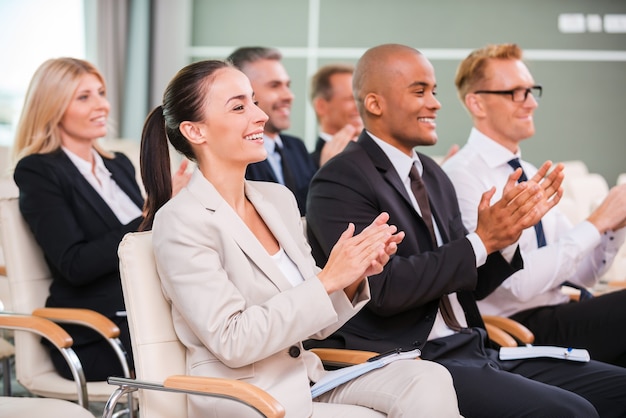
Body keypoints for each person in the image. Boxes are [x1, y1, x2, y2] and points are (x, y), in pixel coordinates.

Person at [305, 43, 626, 417]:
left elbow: (470, 284)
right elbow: (384, 290)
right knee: (571, 412)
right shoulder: (340, 180)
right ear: (375, 104)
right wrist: (482, 240)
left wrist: (505, 239)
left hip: (476, 347)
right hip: (417, 360)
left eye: (435, 91)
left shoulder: (434, 175)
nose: (436, 103)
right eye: (419, 91)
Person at [139, 59, 462, 417]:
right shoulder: (181, 220)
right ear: (195, 132)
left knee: (427, 377)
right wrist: (328, 279)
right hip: (245, 396)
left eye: (255, 101)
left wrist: (354, 276)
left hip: (307, 379)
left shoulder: (278, 200)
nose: (259, 116)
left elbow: (319, 325)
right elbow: (232, 341)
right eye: (239, 106)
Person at [442, 43, 626, 367]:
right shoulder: (462, 176)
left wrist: (613, 228)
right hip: (517, 329)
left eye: (531, 90)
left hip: (561, 312)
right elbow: (515, 285)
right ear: (477, 103)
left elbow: (581, 275)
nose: (531, 103)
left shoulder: (529, 173)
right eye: (515, 92)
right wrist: (595, 222)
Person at [11, 57, 189, 382]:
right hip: (96, 334)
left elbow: (146, 237)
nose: (102, 105)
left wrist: (168, 211)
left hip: (147, 313)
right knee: (206, 352)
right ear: (53, 107)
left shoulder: (118, 164)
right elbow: (75, 264)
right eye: (84, 97)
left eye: (101, 92)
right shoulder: (39, 171)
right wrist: (152, 212)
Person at [309, 63, 363, 168]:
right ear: (321, 106)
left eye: (361, 99)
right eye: (351, 99)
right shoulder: (303, 164)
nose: (361, 106)